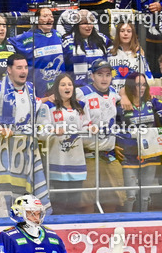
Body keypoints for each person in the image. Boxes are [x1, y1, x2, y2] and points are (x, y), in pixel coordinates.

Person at [35, 73, 90, 215]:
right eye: (63, 84)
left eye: (70, 84)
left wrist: (91, 129)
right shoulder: (48, 106)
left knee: (74, 204)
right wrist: (53, 131)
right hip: (57, 162)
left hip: (77, 163)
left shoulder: (81, 106)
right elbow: (40, 131)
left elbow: (86, 126)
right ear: (56, 88)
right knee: (59, 204)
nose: (67, 87)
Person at [75, 58, 123, 212]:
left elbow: (122, 97)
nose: (104, 78)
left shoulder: (114, 93)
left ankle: (110, 227)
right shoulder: (82, 93)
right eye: (100, 74)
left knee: (113, 198)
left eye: (108, 74)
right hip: (88, 154)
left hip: (109, 154)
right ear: (92, 76)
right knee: (86, 201)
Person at [117, 73, 162, 212]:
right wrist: (115, 145)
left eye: (144, 84)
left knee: (145, 196)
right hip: (129, 154)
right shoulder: (120, 105)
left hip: (151, 154)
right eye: (138, 85)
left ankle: (143, 223)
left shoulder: (152, 102)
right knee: (130, 196)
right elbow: (113, 128)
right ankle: (126, 222)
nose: (142, 88)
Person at [118, 0, 162, 75]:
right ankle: (153, 86)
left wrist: (161, 5)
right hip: (143, 29)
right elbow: (123, 7)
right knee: (150, 63)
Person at [9, 6, 65, 98]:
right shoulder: (28, 37)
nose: (49, 18)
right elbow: (8, 43)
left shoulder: (58, 35)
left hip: (59, 86)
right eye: (45, 16)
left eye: (51, 16)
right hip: (38, 89)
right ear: (37, 20)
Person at [0, 53, 37, 135]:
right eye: (19, 68)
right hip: (3, 140)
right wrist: (1, 130)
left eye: (26, 67)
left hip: (29, 139)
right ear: (9, 70)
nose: (24, 71)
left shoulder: (31, 88)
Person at [62, 10, 111, 85]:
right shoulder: (67, 42)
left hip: (100, 86)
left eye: (91, 22)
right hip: (77, 87)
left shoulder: (103, 39)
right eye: (84, 23)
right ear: (76, 24)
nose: (89, 26)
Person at [107, 20, 152, 93]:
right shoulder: (110, 52)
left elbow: (147, 75)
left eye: (129, 31)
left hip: (134, 94)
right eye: (122, 31)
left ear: (133, 34)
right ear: (118, 34)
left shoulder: (138, 53)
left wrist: (151, 91)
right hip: (114, 94)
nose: (125, 34)